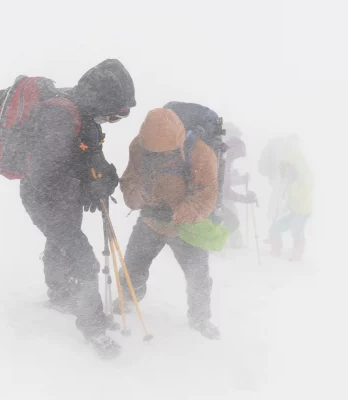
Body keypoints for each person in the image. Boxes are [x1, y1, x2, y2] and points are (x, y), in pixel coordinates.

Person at [19, 59, 136, 357]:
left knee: (61, 243)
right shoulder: (60, 115)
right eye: (113, 115)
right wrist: (86, 185)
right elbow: (46, 172)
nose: (110, 121)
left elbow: (88, 155)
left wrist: (104, 175)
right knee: (83, 260)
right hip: (44, 198)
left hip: (63, 197)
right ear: (101, 100)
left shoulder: (86, 115)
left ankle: (59, 294)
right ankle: (92, 326)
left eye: (117, 119)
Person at [117, 108, 221, 340]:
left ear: (178, 141)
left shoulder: (201, 153)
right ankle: (129, 298)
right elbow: (130, 178)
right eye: (152, 153)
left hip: (186, 227)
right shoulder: (139, 146)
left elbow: (206, 197)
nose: (157, 158)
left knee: (198, 277)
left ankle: (200, 318)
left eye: (164, 154)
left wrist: (175, 213)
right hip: (150, 221)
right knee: (132, 268)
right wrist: (134, 197)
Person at [262, 135, 313, 261]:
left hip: (303, 210)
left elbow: (306, 182)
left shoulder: (300, 167)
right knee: (276, 228)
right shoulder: (291, 171)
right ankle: (276, 249)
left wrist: (293, 176)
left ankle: (296, 254)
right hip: (295, 209)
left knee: (296, 230)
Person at [221, 136, 257, 248]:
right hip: (217, 198)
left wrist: (240, 180)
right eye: (237, 155)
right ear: (232, 152)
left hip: (216, 197)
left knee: (232, 217)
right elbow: (225, 190)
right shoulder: (223, 162)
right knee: (231, 220)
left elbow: (225, 182)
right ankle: (224, 244)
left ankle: (234, 243)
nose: (236, 158)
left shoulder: (223, 160)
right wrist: (244, 199)